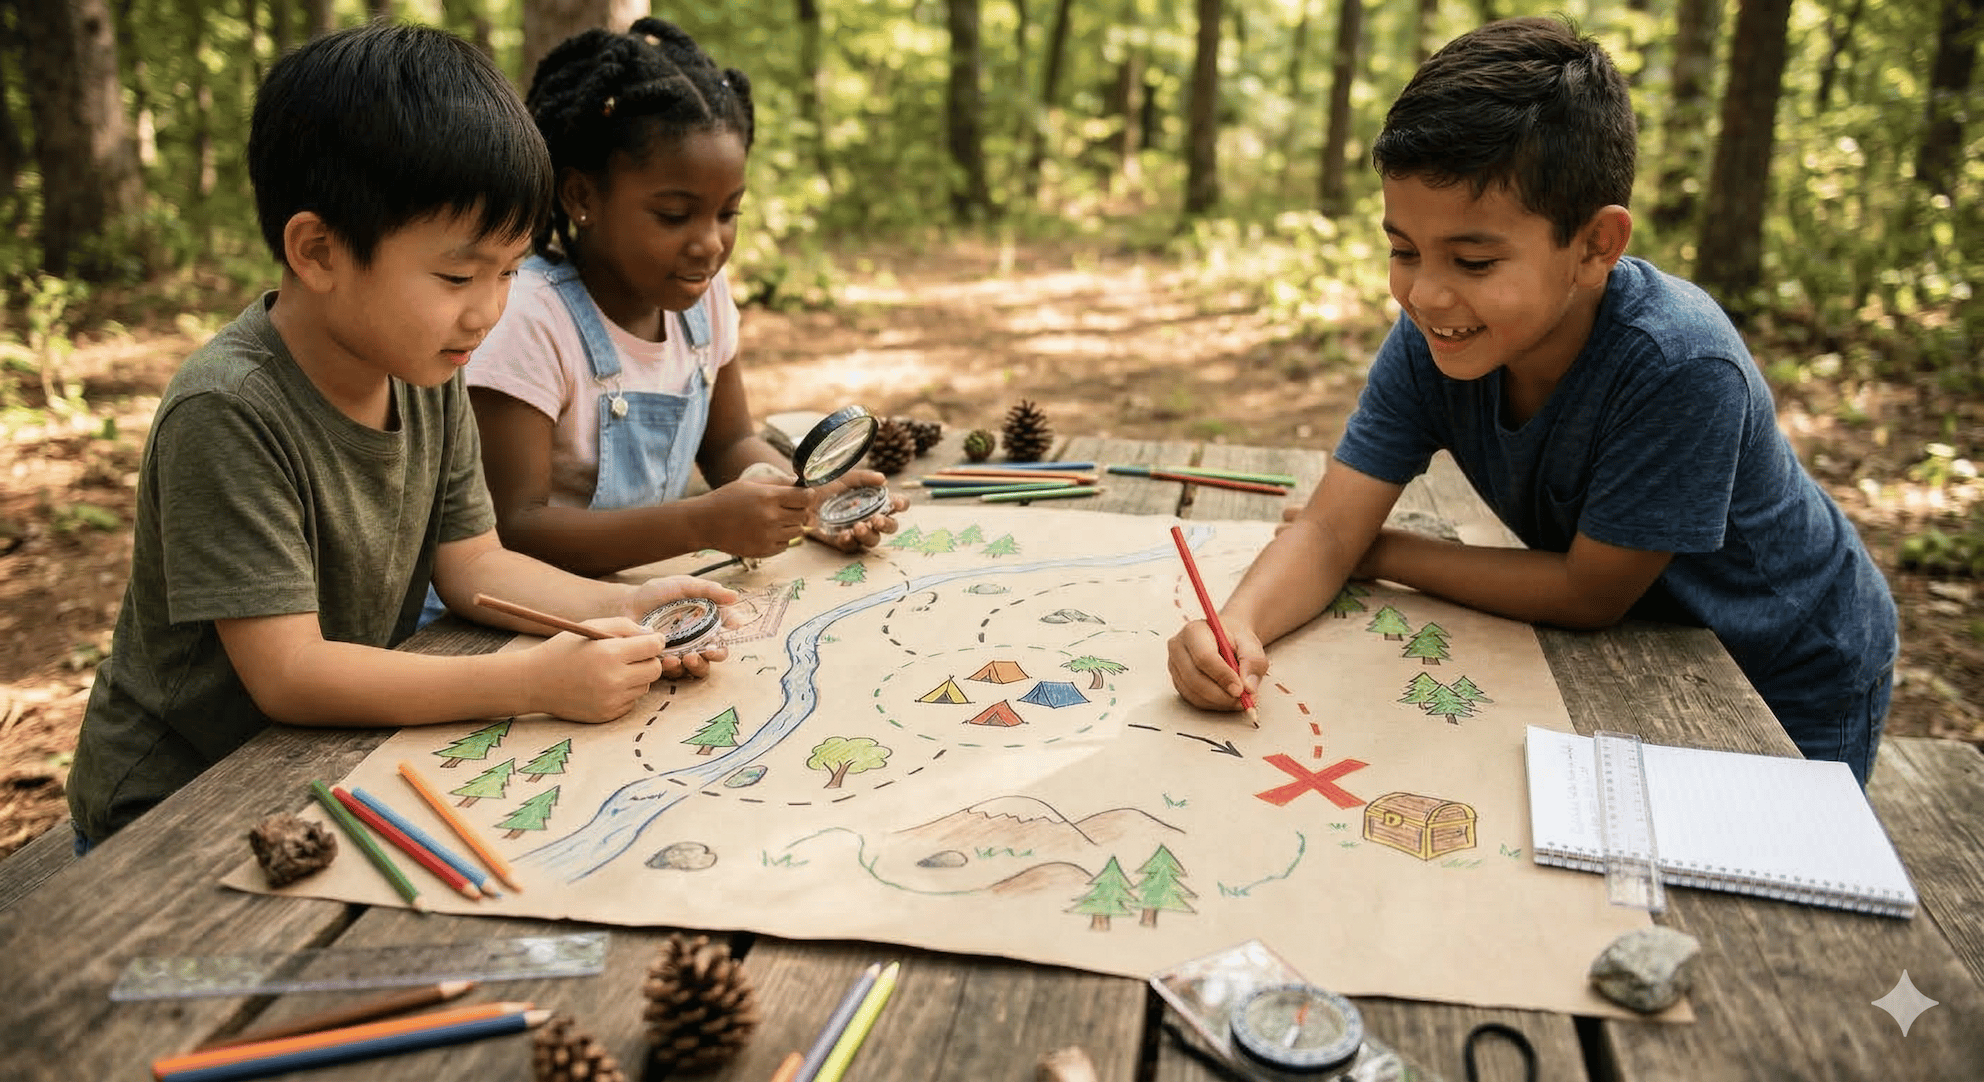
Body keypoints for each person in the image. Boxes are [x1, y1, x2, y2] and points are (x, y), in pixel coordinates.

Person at [1167, 16, 1897, 784]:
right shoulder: (1432, 336)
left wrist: (1378, 550)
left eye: (1474, 259)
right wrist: (1236, 624)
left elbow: (1590, 593)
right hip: (1645, 658)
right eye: (1403, 250)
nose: (1424, 292)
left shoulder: (1680, 363)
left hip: (1788, 666)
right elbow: (1323, 530)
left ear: (1595, 247)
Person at [66, 22, 736, 850]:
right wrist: (529, 680)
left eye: (509, 272)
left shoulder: (425, 367)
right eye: (457, 275)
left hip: (331, 765)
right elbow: (292, 673)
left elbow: (475, 564)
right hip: (180, 805)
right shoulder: (229, 409)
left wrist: (621, 607)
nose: (489, 311)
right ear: (317, 250)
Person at [458, 17, 904, 583]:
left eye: (728, 213)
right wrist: (700, 525)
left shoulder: (704, 300)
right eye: (674, 215)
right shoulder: (528, 318)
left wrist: (808, 499)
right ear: (580, 196)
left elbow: (729, 444)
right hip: (516, 612)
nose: (710, 244)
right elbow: (513, 529)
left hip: (643, 598)